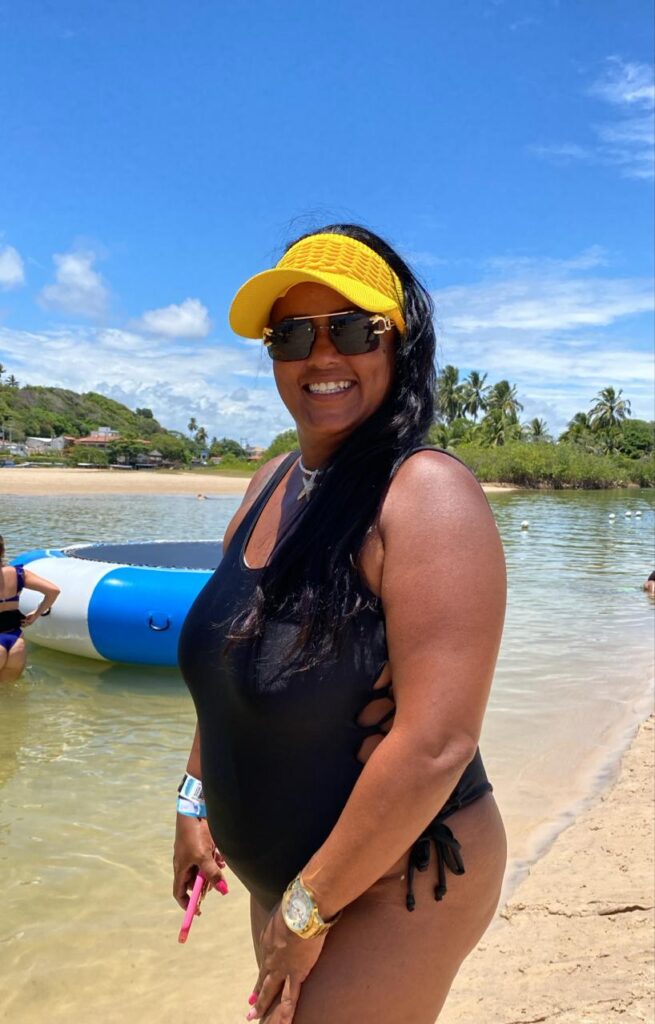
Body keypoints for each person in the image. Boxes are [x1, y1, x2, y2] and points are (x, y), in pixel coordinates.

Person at [174, 225, 507, 1023]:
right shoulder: (268, 483)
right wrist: (193, 802)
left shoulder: (424, 495)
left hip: (396, 880)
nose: (320, 355)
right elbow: (228, 670)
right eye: (291, 335)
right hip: (294, 884)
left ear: (399, 343)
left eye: (352, 330)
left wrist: (306, 910)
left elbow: (436, 743)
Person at [0, 535, 61, 683]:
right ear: (2, 551)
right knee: (11, 692)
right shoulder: (18, 574)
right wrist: (36, 613)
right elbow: (53, 591)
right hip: (16, 643)